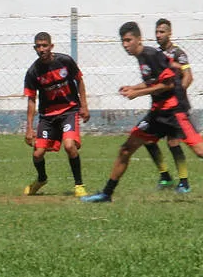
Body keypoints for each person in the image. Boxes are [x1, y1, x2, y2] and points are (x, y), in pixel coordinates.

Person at [82, 21, 203, 203]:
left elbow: (168, 84)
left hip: (174, 112)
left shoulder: (151, 55)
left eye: (128, 40)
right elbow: (153, 81)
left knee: (199, 151)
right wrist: (134, 87)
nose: (125, 45)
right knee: (126, 149)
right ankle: (106, 194)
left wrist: (136, 93)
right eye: (123, 41)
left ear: (139, 39)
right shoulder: (142, 57)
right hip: (157, 114)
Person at [23, 32, 90, 197]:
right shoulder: (33, 71)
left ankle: (79, 185)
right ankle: (41, 179)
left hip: (69, 110)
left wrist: (84, 106)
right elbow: (31, 100)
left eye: (44, 45)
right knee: (38, 153)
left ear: (51, 46)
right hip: (48, 116)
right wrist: (29, 128)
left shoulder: (65, 61)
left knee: (69, 146)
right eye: (38, 46)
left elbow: (79, 80)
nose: (41, 49)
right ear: (34, 48)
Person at [143, 18, 194, 193]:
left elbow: (188, 76)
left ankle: (184, 182)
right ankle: (165, 176)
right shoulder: (155, 55)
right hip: (158, 107)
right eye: (156, 32)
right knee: (147, 139)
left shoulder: (178, 54)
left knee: (173, 142)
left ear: (170, 33)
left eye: (162, 32)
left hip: (174, 107)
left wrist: (178, 93)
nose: (158, 35)